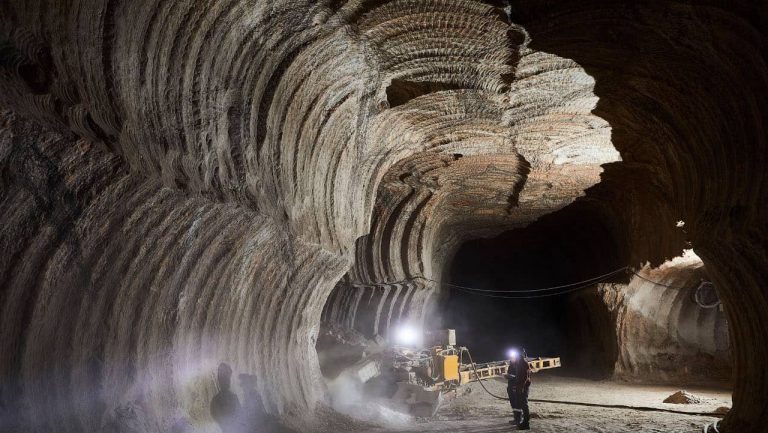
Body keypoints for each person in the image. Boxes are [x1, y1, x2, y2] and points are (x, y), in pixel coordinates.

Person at [505, 348, 531, 430]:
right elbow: (518, 375)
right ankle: (518, 419)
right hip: (518, 386)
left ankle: (526, 423)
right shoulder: (517, 363)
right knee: (518, 403)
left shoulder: (523, 363)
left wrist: (521, 387)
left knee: (524, 404)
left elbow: (525, 377)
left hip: (522, 387)